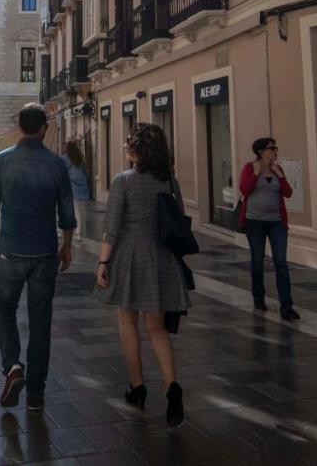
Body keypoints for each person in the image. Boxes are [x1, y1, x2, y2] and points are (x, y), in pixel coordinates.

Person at [0, 103, 76, 413]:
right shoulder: (58, 165)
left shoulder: (3, 162)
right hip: (45, 252)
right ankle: (36, 393)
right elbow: (68, 214)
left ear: (20, 128)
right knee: (40, 321)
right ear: (44, 128)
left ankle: (12, 366)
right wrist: (67, 245)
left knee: (4, 308)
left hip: (9, 251)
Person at [94, 124, 189, 429]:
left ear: (139, 150)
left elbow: (111, 225)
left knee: (127, 323)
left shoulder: (123, 181)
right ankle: (173, 388)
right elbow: (178, 220)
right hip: (162, 257)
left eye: (129, 145)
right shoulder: (170, 182)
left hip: (131, 257)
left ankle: (137, 387)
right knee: (157, 328)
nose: (126, 150)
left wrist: (102, 261)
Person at [239, 136, 299, 322]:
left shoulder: (277, 169)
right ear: (260, 152)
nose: (275, 151)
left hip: (277, 223)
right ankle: (258, 297)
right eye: (271, 148)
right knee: (257, 261)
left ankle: (287, 306)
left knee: (281, 262)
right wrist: (256, 174)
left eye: (275, 148)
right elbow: (244, 190)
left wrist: (280, 176)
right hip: (254, 222)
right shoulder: (250, 167)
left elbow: (288, 193)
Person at [61, 142, 91, 239]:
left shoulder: (65, 158)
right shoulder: (80, 157)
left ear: (67, 149)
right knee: (80, 210)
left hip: (72, 187)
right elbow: (85, 171)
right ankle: (78, 233)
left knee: (71, 210)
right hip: (82, 187)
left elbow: (60, 169)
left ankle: (71, 233)